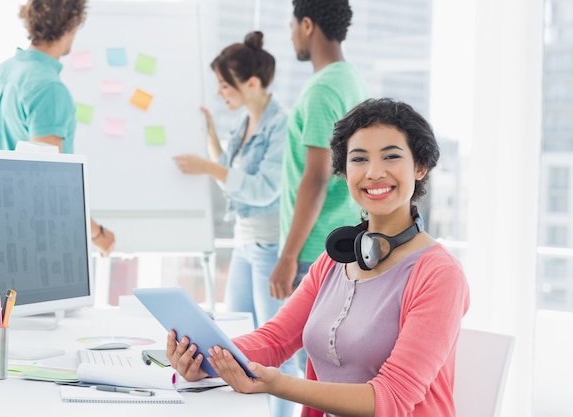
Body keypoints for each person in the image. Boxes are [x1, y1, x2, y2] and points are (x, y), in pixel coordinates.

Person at [166, 97, 471, 417]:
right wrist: (207, 359)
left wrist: (277, 384)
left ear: (420, 167)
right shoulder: (334, 261)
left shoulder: (440, 274)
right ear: (345, 170)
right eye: (359, 159)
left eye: (391, 157)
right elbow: (275, 340)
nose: (374, 172)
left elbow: (390, 399)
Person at [172, 31, 298, 417]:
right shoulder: (243, 124)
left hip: (268, 248)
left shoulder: (282, 125)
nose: (221, 93)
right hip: (245, 245)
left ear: (252, 84)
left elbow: (262, 189)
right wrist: (211, 135)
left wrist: (210, 166)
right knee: (235, 346)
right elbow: (228, 169)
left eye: (225, 86)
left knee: (279, 352)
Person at [0, 0, 115, 256]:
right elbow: (47, 183)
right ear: (73, 24)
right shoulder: (49, 89)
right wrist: (97, 234)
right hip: (32, 246)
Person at [269, 0, 368, 301]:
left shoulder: (322, 90)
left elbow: (316, 177)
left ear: (307, 25)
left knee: (304, 349)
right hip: (340, 244)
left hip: (312, 252)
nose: (291, 36)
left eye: (292, 27)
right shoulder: (351, 81)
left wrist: (288, 257)